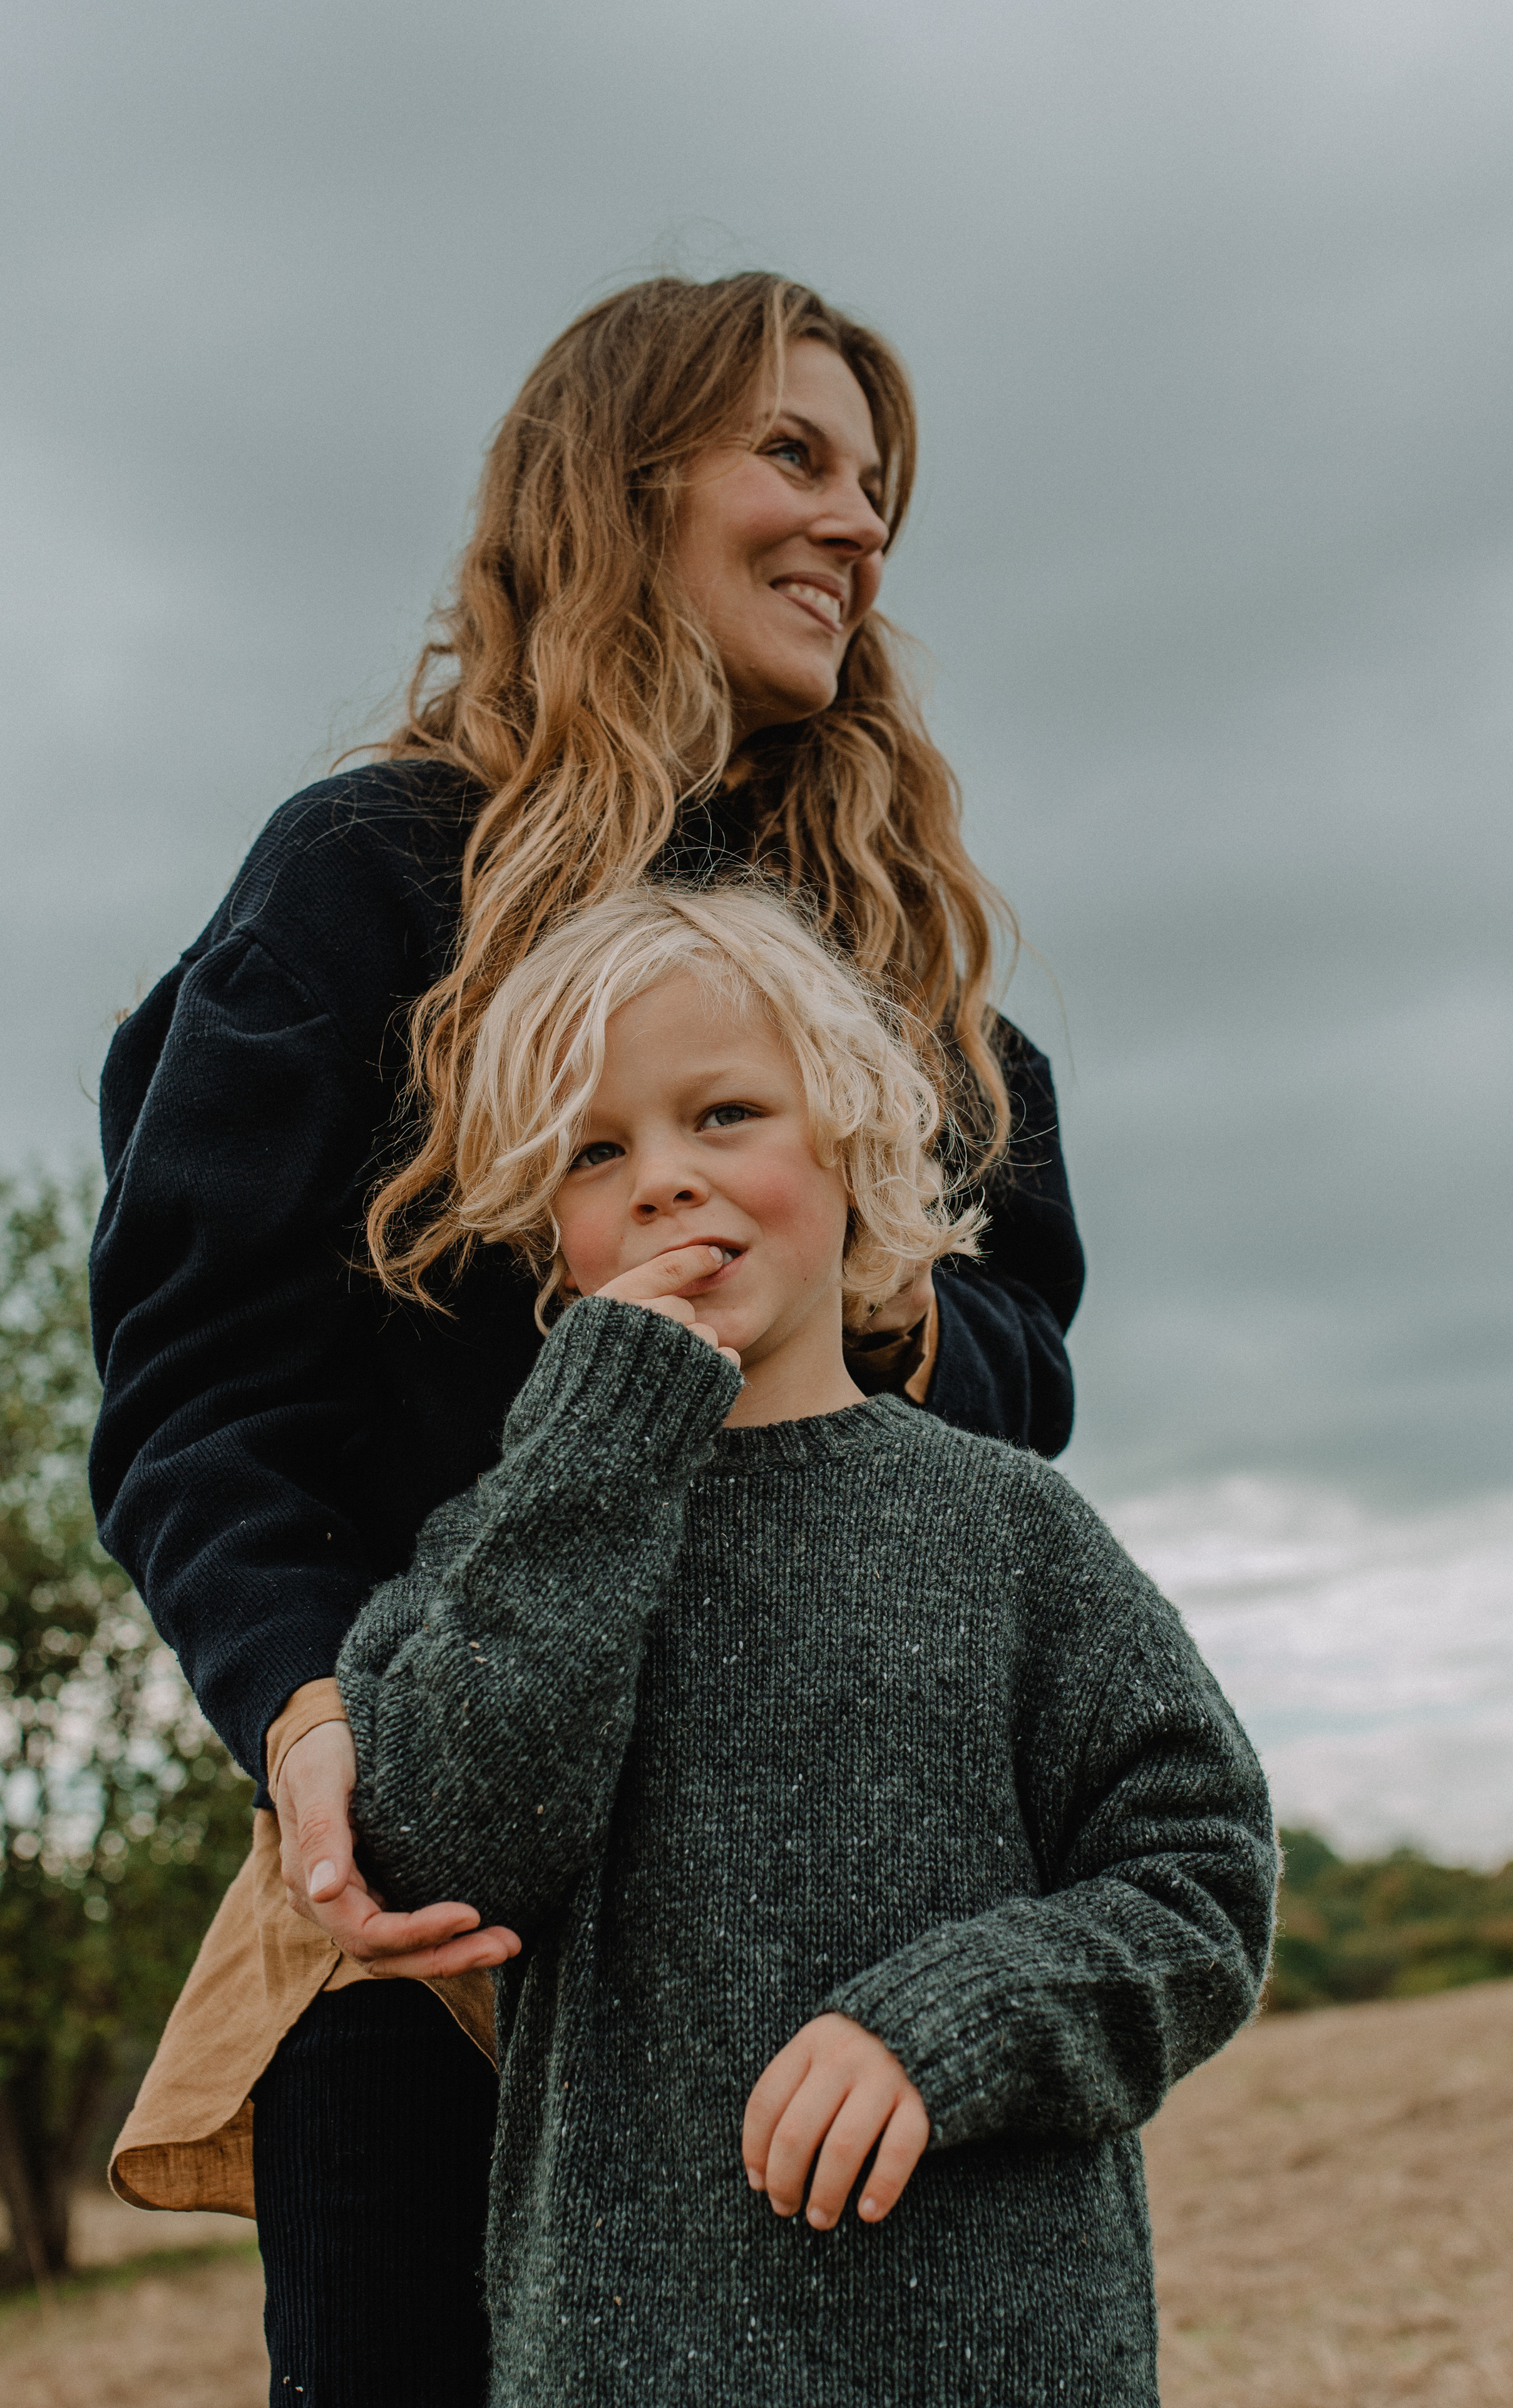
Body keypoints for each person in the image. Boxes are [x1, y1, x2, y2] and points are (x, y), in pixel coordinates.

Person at [89, 274, 1087, 2400]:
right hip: (438, 1911)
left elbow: (1031, 1364)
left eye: (878, 485)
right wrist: (306, 1721)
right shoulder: (366, 877)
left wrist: (855, 1279)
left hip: (830, 1897)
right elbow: (199, 1385)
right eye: (797, 457)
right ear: (622, 489)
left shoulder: (905, 971)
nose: (859, 525)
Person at [336, 881, 1276, 2407]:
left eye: (722, 1114)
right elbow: (450, 1845)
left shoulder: (1009, 1531)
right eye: (594, 1151)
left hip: (1001, 2354)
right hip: (625, 2359)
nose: (661, 1182)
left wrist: (947, 2024)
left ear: (847, 1140)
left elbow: (1198, 1884)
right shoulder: (493, 1550)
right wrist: (594, 1455)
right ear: (549, 1234)